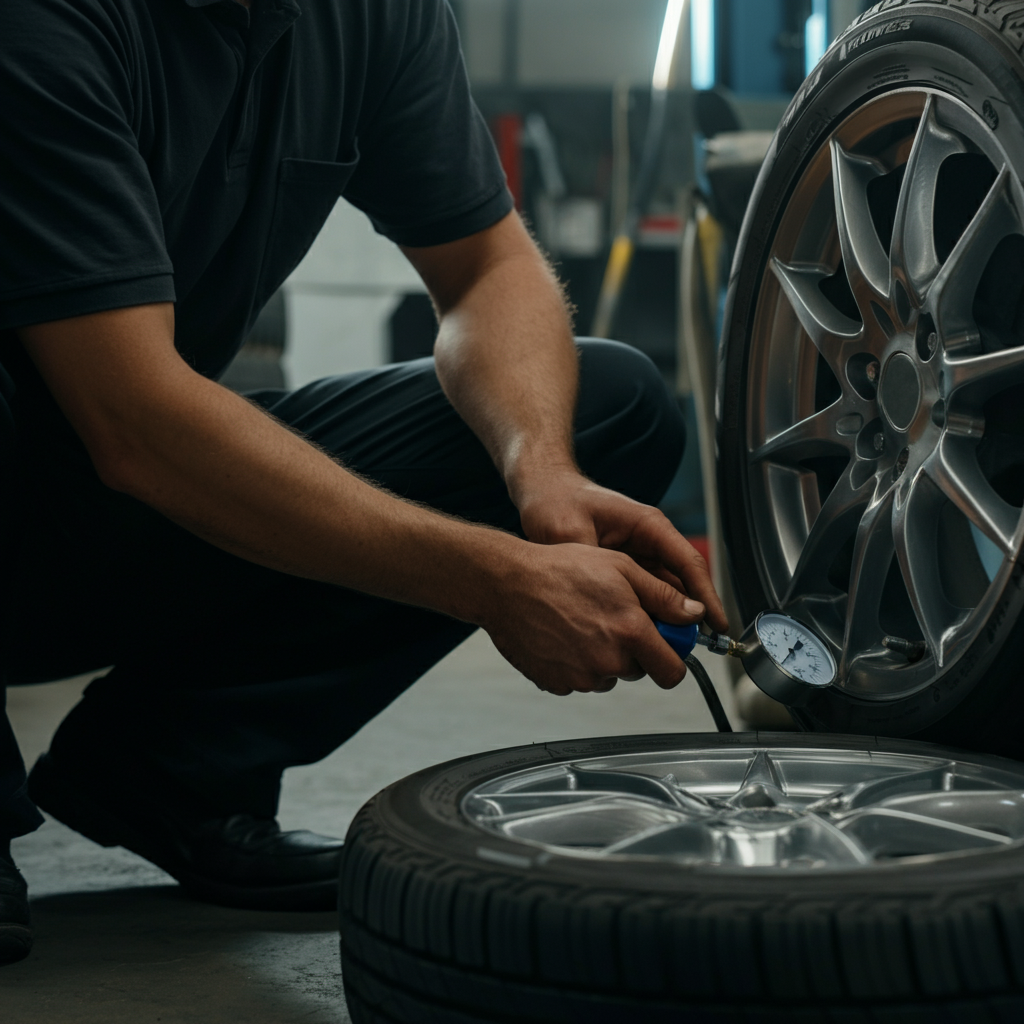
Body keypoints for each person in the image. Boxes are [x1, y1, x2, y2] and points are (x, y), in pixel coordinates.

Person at [0, 0, 727, 965]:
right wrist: (490, 577)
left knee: (612, 404)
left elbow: (486, 268)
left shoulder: (372, 14)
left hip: (113, 509)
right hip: (61, 474)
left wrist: (539, 475)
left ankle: (165, 771)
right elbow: (133, 420)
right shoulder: (44, 26)